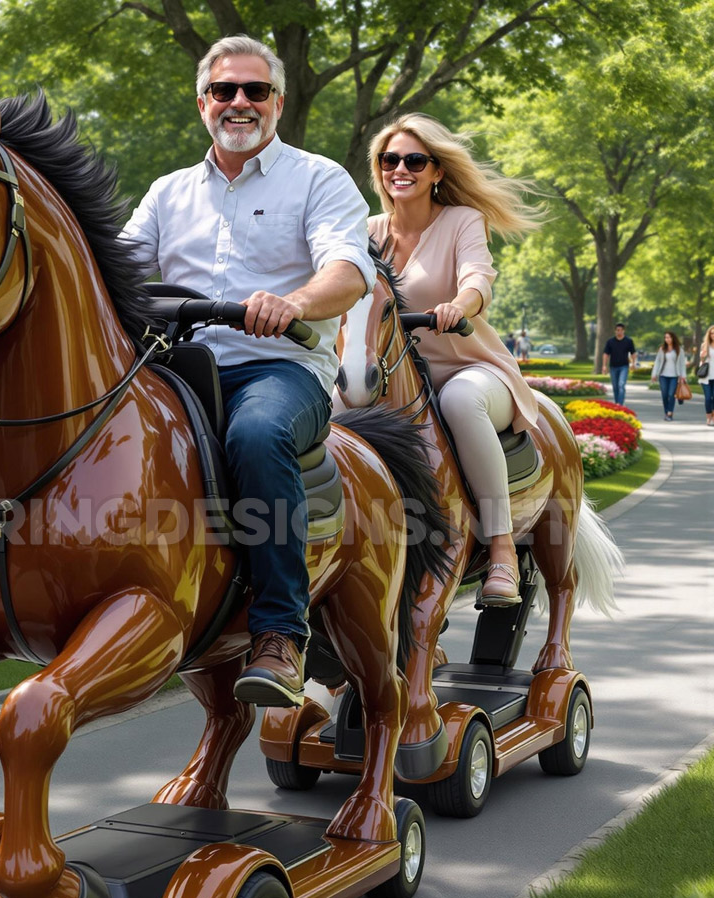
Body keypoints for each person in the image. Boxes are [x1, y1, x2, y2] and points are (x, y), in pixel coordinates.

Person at [123, 35, 375, 708]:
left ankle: (281, 635)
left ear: (278, 103)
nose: (239, 102)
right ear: (203, 102)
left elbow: (348, 273)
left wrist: (289, 303)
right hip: (178, 371)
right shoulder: (167, 193)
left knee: (255, 436)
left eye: (255, 91)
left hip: (282, 371)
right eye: (225, 91)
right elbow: (111, 271)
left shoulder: (320, 179)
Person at [366, 112, 541, 606]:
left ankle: (502, 548)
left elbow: (477, 279)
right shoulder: (368, 232)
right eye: (389, 159)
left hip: (469, 369)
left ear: (438, 171)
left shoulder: (463, 220)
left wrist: (458, 306)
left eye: (415, 160)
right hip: (394, 379)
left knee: (462, 403)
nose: (401, 168)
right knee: (332, 414)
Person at [651, 330, 687, 420]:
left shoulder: (679, 349)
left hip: (674, 376)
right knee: (664, 394)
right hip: (663, 375)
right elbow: (657, 362)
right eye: (665, 337)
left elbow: (682, 363)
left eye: (669, 337)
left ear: (672, 338)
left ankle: (670, 413)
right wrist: (654, 374)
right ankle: (666, 412)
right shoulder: (662, 349)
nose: (667, 339)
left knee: (671, 394)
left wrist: (683, 376)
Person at [602, 323, 636, 407]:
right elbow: (606, 354)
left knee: (621, 384)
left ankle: (619, 404)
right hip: (613, 366)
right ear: (615, 331)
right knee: (615, 386)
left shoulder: (628, 341)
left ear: (623, 331)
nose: (619, 332)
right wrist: (604, 366)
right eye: (617, 330)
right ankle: (617, 402)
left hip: (624, 366)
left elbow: (633, 353)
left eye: (620, 330)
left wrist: (633, 363)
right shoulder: (610, 341)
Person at [699, 325, 714, 426]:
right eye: (712, 333)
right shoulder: (705, 345)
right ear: (709, 334)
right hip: (706, 377)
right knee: (708, 398)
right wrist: (702, 357)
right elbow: (702, 361)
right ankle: (708, 417)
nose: (713, 335)